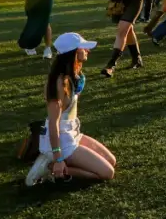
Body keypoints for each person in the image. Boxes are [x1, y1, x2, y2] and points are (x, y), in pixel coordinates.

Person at [25, 32, 116, 185]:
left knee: (111, 161)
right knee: (108, 173)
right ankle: (50, 167)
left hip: (72, 133)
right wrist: (58, 157)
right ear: (73, 52)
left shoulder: (73, 76)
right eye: (84, 48)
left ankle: (58, 163)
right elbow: (54, 123)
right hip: (61, 140)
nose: (88, 51)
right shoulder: (59, 83)